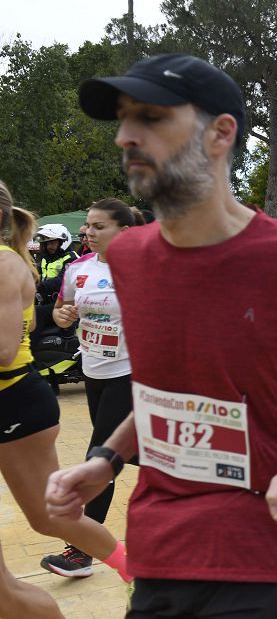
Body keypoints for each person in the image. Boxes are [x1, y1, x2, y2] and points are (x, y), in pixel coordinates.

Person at [45, 53, 277, 617]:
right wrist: (106, 459)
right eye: (124, 119)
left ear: (221, 133)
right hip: (160, 548)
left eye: (150, 118)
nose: (126, 136)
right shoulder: (128, 257)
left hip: (266, 554)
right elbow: (157, 391)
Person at [40, 200, 143, 578]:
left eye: (99, 226)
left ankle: (82, 551)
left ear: (124, 232)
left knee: (99, 456)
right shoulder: (78, 269)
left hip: (129, 372)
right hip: (93, 371)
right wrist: (61, 315)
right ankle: (207, 482)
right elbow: (62, 309)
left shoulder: (143, 269)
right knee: (125, 455)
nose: (89, 232)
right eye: (87, 226)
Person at [0, 181, 68, 618]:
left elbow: (4, 349)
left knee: (49, 518)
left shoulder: (5, 263)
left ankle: (135, 571)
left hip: (17, 399)